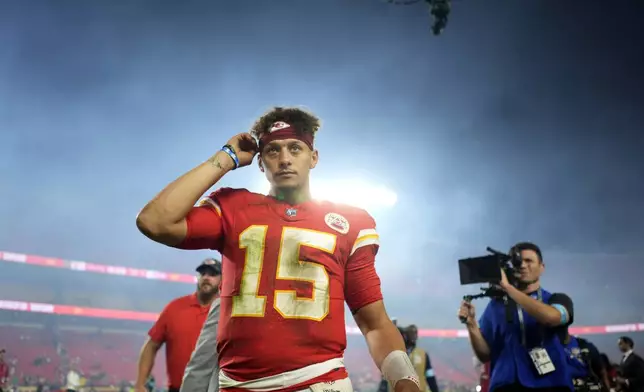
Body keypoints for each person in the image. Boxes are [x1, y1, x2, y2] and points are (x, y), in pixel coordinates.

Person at [136, 107, 419, 392]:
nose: (284, 159)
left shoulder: (350, 223)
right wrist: (227, 156)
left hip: (320, 382)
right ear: (260, 163)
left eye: (295, 148)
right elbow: (155, 221)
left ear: (314, 158)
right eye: (273, 151)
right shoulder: (234, 208)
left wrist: (406, 380)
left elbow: (375, 323)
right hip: (238, 385)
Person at [457, 242, 574, 392]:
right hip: (506, 385)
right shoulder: (495, 306)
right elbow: (484, 355)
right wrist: (471, 325)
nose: (523, 266)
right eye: (518, 262)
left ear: (542, 267)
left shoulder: (557, 300)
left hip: (551, 384)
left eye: (529, 261)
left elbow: (551, 318)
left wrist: (509, 289)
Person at [135, 258, 221, 392]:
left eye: (212, 274)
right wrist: (140, 383)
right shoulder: (175, 308)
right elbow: (151, 346)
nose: (206, 277)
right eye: (202, 273)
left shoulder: (226, 311)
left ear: (222, 279)